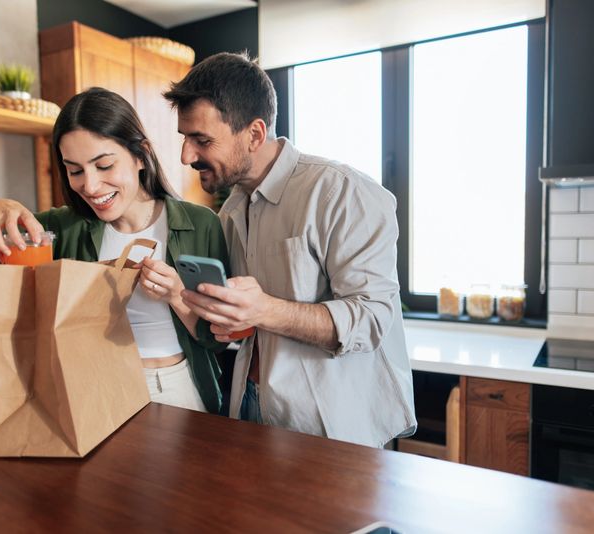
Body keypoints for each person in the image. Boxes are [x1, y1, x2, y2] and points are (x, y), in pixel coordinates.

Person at [0, 87, 228, 414]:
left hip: (178, 387)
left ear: (140, 155)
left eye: (104, 165)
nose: (90, 186)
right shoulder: (61, 228)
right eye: (75, 170)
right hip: (92, 389)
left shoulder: (201, 224)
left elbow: (216, 338)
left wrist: (177, 295)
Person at [164, 53, 417, 447]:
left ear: (254, 133)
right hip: (250, 407)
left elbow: (372, 318)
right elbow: (251, 326)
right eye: (185, 138)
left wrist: (262, 308)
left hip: (330, 427)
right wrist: (228, 319)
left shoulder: (341, 192)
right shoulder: (231, 212)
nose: (186, 155)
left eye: (202, 140)